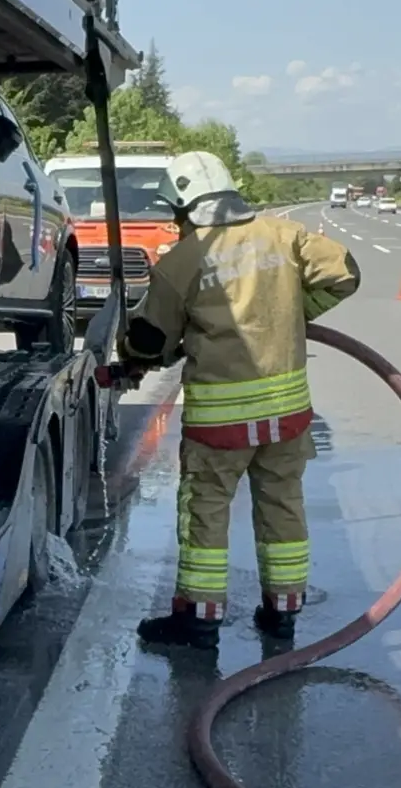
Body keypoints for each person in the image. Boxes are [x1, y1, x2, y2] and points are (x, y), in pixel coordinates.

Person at [120, 151, 360, 652]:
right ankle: (282, 613)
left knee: (206, 512)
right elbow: (345, 274)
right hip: (286, 416)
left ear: (184, 206)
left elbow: (149, 339)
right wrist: (296, 312)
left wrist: (136, 357)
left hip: (220, 425)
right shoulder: (284, 235)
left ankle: (199, 621)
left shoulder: (182, 262)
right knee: (282, 506)